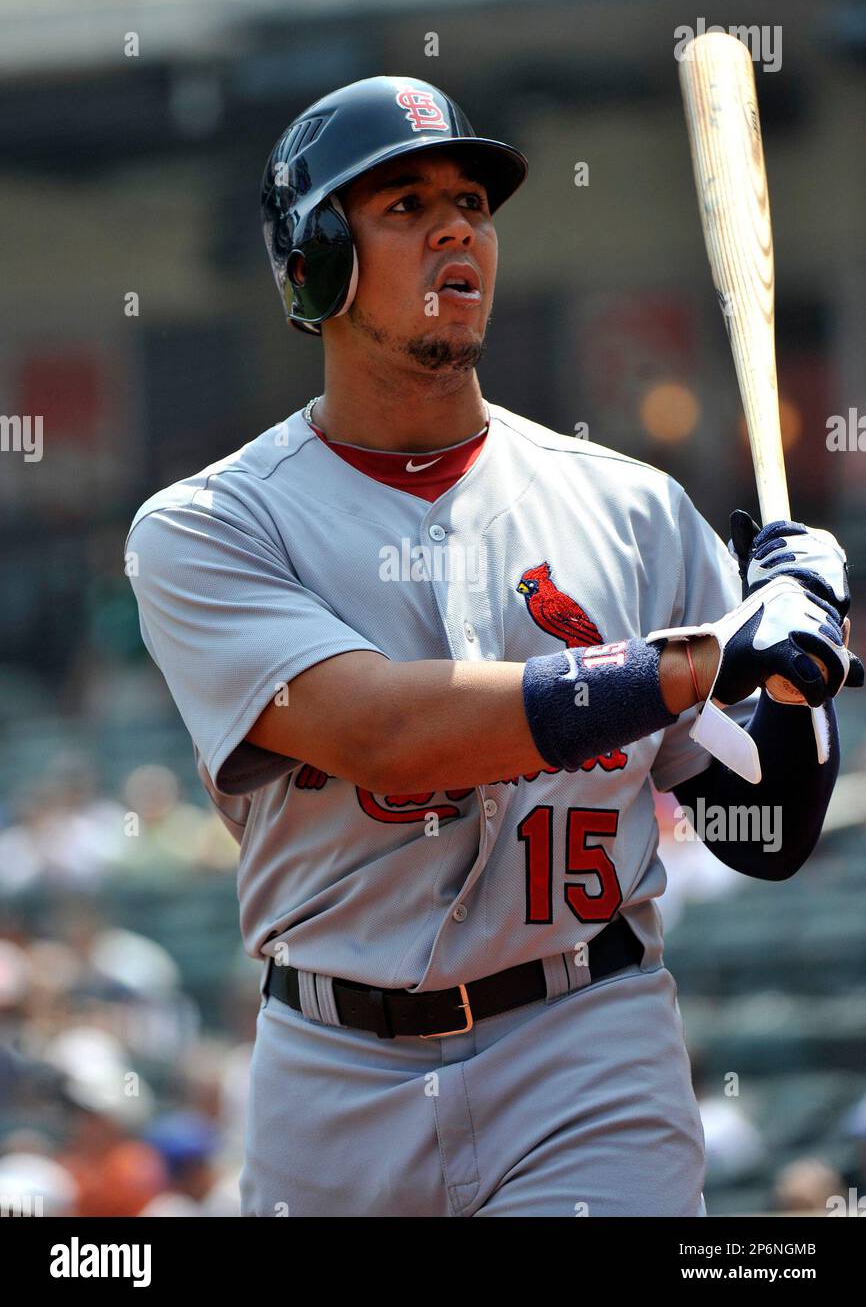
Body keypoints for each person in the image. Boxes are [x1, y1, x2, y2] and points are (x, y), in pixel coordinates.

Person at [125, 76, 861, 1217]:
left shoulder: (632, 509)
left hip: (583, 1044)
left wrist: (794, 662)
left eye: (469, 199)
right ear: (314, 262)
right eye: (404, 205)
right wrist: (696, 660)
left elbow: (760, 830)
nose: (456, 225)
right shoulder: (210, 526)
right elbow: (389, 735)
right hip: (332, 1072)